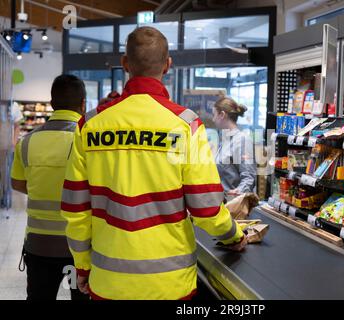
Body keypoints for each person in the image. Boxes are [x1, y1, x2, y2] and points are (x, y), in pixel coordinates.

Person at [60, 26, 247, 300]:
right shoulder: (186, 125)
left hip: (109, 282)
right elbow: (206, 208)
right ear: (168, 65)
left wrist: (83, 266)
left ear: (125, 64)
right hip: (170, 285)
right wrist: (233, 235)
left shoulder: (89, 125)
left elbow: (76, 211)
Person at [10, 75, 89, 301]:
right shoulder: (87, 142)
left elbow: (17, 183)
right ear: (83, 104)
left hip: (39, 244)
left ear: (52, 103)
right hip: (78, 247)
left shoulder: (26, 142)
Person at [212, 97, 256, 198]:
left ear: (222, 115)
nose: (213, 119)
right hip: (220, 204)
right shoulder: (224, 140)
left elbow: (249, 177)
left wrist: (237, 193)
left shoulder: (242, 141)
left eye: (214, 114)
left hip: (232, 207)